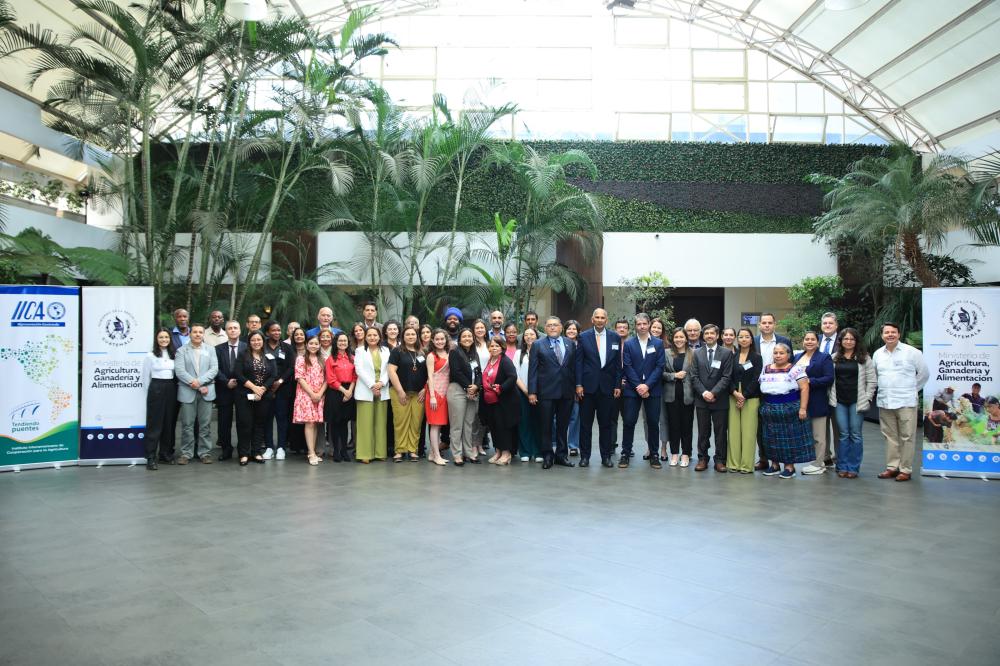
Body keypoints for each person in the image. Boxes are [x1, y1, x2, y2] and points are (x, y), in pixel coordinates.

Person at [872, 322, 929, 482]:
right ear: (882, 335)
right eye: (886, 332)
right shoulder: (878, 354)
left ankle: (905, 469)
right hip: (885, 402)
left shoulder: (912, 352)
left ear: (899, 334)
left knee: (907, 436)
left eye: (893, 332)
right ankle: (892, 467)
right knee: (889, 436)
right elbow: (875, 375)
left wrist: (912, 390)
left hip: (906, 401)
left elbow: (924, 374)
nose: (890, 335)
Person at [575, 308, 622, 468]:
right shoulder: (583, 337)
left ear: (606, 320)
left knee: (606, 424)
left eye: (603, 317)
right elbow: (579, 362)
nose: (600, 320)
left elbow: (617, 364)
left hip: (607, 387)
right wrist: (579, 384)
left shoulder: (615, 337)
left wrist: (617, 385)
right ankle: (585, 457)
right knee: (585, 425)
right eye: (597, 317)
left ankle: (606, 456)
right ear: (592, 319)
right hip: (587, 388)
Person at [528, 316, 577, 469]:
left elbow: (573, 368)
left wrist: (576, 387)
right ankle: (547, 455)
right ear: (545, 328)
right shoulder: (538, 344)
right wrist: (532, 392)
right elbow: (533, 370)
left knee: (563, 426)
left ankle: (561, 455)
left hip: (566, 392)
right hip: (546, 392)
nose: (553, 328)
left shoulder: (570, 343)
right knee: (546, 425)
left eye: (555, 325)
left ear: (561, 327)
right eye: (549, 325)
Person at [759, 343, 813, 479]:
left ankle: (789, 467)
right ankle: (775, 465)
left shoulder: (796, 369)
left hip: (789, 408)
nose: (778, 356)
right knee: (770, 438)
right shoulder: (766, 368)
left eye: (781, 353)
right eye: (775, 353)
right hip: (769, 408)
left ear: (788, 355)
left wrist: (803, 408)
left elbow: (805, 388)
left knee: (789, 439)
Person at [828, 328, 876, 478]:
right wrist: (830, 396)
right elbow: (830, 380)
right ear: (840, 341)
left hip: (857, 401)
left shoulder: (865, 358)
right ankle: (841, 466)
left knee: (855, 434)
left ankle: (853, 467)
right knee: (843, 434)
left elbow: (872, 381)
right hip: (839, 401)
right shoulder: (834, 357)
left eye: (852, 339)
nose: (848, 342)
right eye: (845, 339)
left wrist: (868, 397)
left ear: (856, 341)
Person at [620, 313, 665, 469]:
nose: (642, 327)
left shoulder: (658, 343)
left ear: (649, 324)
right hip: (633, 390)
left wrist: (647, 386)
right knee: (629, 422)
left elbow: (660, 367)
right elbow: (627, 366)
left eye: (644, 324)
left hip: (653, 389)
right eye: (638, 324)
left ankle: (654, 454)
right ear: (635, 326)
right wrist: (639, 385)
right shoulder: (629, 343)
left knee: (653, 422)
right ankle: (625, 453)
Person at [691, 324, 733, 472]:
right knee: (703, 432)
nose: (709, 336)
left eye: (712, 333)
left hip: (719, 400)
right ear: (703, 336)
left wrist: (713, 393)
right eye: (706, 333)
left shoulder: (726, 353)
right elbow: (694, 376)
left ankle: (720, 460)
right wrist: (704, 393)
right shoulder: (696, 353)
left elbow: (726, 377)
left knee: (720, 432)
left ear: (717, 336)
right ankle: (702, 458)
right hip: (701, 400)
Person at [174, 324, 219, 465]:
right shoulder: (181, 351)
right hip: (188, 391)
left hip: (206, 391)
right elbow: (180, 371)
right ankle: (186, 453)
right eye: (195, 332)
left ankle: (204, 453)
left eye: (201, 332)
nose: (198, 334)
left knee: (205, 425)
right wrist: (197, 385)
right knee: (187, 425)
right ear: (190, 334)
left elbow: (214, 369)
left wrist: (199, 383)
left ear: (203, 334)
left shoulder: (210, 350)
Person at [795, 331, 836, 476]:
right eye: (807, 339)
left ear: (818, 342)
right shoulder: (797, 356)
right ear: (803, 342)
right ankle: (817, 460)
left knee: (819, 435)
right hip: (800, 400)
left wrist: (811, 381)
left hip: (817, 400)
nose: (809, 341)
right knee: (809, 434)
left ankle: (819, 464)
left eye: (813, 339)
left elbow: (829, 378)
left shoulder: (824, 357)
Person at [754, 312, 791, 470]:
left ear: (775, 324)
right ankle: (763, 459)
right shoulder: (753, 341)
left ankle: (785, 462)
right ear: (759, 325)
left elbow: (792, 366)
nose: (767, 325)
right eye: (764, 323)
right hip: (757, 389)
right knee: (761, 427)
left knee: (782, 427)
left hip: (781, 391)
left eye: (770, 322)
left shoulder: (784, 341)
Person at [234, 330, 275, 465]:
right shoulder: (242, 355)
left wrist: (262, 389)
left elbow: (273, 375)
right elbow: (238, 374)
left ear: (263, 341)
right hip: (245, 395)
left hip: (263, 395)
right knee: (245, 424)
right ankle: (244, 453)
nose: (256, 342)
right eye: (253, 340)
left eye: (259, 340)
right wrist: (254, 388)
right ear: (249, 342)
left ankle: (256, 452)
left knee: (259, 424)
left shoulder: (268, 355)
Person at [387, 326, 427, 462]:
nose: (410, 336)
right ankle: (399, 450)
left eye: (413, 334)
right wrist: (400, 391)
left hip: (419, 393)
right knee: (400, 421)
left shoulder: (422, 352)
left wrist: (425, 389)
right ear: (403, 337)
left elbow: (430, 373)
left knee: (416, 422)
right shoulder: (397, 351)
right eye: (407, 334)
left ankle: (412, 450)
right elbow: (391, 371)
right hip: (400, 392)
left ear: (417, 336)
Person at [479, 337, 520, 465]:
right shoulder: (490, 360)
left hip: (504, 401)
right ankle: (498, 452)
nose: (494, 348)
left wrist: (501, 388)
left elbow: (512, 377)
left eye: (497, 346)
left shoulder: (505, 361)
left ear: (502, 347)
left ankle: (506, 453)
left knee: (503, 427)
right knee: (494, 427)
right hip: (490, 401)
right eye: (491, 346)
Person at [141, 329, 177, 470]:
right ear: (156, 339)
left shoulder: (174, 354)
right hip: (156, 388)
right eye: (161, 337)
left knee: (169, 422)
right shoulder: (150, 356)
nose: (164, 340)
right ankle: (150, 456)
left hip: (171, 388)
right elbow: (145, 377)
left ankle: (165, 454)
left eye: (166, 337)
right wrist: (151, 393)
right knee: (155, 424)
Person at [727, 327, 762, 474]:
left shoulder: (756, 357)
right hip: (733, 395)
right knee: (733, 432)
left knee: (748, 433)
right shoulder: (732, 356)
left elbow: (756, 379)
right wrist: (735, 393)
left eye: (747, 337)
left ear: (751, 339)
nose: (743, 339)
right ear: (737, 339)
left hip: (751, 397)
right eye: (741, 337)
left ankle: (746, 465)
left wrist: (744, 395)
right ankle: (734, 463)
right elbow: (727, 376)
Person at [354, 326, 390, 463]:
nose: (372, 337)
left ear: (380, 337)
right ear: (365, 337)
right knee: (365, 423)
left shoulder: (386, 350)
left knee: (380, 422)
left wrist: (381, 383)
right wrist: (372, 385)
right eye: (369, 335)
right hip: (365, 389)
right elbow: (359, 370)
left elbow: (389, 369)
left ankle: (380, 453)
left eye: (375, 335)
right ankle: (365, 454)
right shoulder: (359, 351)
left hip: (382, 388)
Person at [448, 328, 481, 465]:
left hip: (473, 391)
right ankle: (457, 454)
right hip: (458, 390)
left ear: (473, 339)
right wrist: (469, 387)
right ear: (460, 339)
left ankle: (468, 452)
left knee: (469, 424)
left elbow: (479, 373)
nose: (467, 338)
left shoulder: (474, 353)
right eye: (464, 336)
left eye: (469, 336)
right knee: (457, 425)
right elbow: (456, 372)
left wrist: (476, 387)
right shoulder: (455, 352)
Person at [662, 327, 694, 468]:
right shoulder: (666, 353)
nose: (679, 340)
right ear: (672, 339)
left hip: (688, 396)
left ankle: (686, 454)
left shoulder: (693, 354)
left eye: (681, 337)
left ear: (686, 338)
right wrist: (674, 375)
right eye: (676, 337)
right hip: (671, 396)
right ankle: (674, 453)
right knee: (673, 426)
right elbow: (660, 373)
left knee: (687, 426)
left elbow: (696, 375)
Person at [214, 320, 245, 461]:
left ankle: (242, 450)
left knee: (242, 420)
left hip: (242, 389)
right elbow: (215, 368)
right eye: (230, 328)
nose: (233, 330)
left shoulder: (246, 347)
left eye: (235, 328)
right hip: (224, 389)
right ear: (225, 331)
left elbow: (249, 367)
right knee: (224, 422)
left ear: (240, 330)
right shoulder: (218, 349)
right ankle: (226, 450)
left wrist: (240, 381)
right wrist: (226, 382)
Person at [263, 322, 295, 460]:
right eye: (273, 330)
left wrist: (280, 381)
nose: (276, 332)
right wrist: (267, 384)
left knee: (282, 418)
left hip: (283, 389)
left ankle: (281, 447)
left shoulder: (286, 347)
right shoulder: (261, 346)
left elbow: (291, 367)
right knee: (267, 419)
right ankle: (269, 447)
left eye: (278, 330)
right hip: (265, 388)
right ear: (267, 332)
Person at [324, 332, 357, 462]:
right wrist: (344, 391)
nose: (342, 343)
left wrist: (350, 391)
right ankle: (336, 450)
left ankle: (344, 450)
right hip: (335, 392)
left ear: (348, 343)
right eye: (340, 341)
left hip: (350, 390)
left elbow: (355, 376)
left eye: (345, 341)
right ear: (335, 343)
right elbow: (331, 379)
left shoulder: (352, 358)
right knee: (335, 423)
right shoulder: (331, 359)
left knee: (345, 422)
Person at [294, 336, 327, 466]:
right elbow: (300, 378)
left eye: (316, 344)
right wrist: (312, 393)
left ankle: (312, 451)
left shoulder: (322, 360)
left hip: (319, 394)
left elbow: (327, 379)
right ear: (306, 345)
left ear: (319, 345)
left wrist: (319, 393)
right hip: (306, 394)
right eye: (311, 343)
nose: (314, 346)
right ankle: (311, 452)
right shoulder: (300, 359)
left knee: (315, 423)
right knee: (310, 423)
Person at [425, 329, 451, 466]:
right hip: (435, 394)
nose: (440, 341)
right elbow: (430, 376)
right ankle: (436, 455)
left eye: (442, 339)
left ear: (446, 340)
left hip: (445, 393)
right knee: (434, 426)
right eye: (437, 339)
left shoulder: (449, 354)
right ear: (433, 341)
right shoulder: (431, 356)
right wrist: (433, 396)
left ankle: (431, 453)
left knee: (439, 425)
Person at [515, 327, 541, 463]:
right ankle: (525, 451)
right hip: (522, 392)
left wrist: (534, 392)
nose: (529, 337)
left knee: (538, 422)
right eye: (526, 335)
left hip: (540, 393)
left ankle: (538, 451)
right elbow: (515, 375)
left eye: (532, 334)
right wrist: (526, 391)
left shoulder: (542, 351)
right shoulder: (519, 353)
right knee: (524, 422)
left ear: (537, 336)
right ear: (523, 338)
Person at [819, 312, 841, 467]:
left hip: (838, 390)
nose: (827, 325)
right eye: (825, 323)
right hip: (819, 390)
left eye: (830, 323)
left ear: (836, 325)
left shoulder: (844, 341)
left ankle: (840, 458)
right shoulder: (816, 340)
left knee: (838, 426)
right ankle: (825, 456)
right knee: (821, 426)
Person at [471, 319, 491, 457]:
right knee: (473, 416)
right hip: (474, 383)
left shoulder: (490, 344)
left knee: (483, 417)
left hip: (488, 384)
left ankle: (479, 444)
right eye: (477, 328)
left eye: (482, 327)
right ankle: (472, 445)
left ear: (485, 330)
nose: (479, 330)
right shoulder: (471, 345)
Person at [563, 320, 582, 457]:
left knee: (575, 417)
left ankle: (573, 445)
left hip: (576, 386)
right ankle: (559, 443)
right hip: (560, 386)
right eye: (569, 329)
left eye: (574, 329)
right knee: (559, 417)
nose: (571, 331)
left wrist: (578, 385)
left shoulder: (582, 345)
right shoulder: (559, 343)